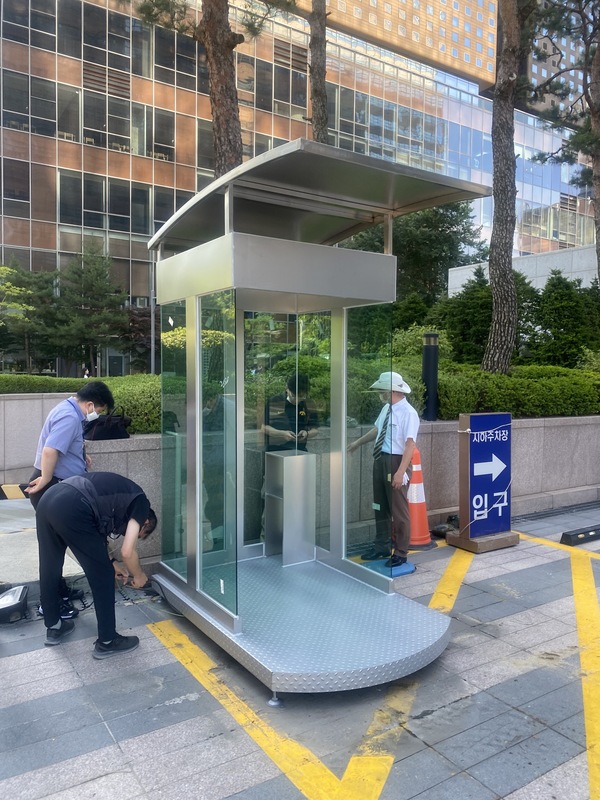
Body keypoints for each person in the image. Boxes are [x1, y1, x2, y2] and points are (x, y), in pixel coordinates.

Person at [36, 471, 157, 657]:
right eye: (139, 535)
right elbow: (128, 551)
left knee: (49, 567)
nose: (129, 535)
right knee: (103, 576)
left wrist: (112, 563)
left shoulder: (116, 504)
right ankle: (108, 641)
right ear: (145, 522)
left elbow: (96, 542)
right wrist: (140, 576)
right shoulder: (141, 503)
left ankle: (54, 626)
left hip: (48, 500)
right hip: (74, 504)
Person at [26, 381, 115, 617]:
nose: (98, 415)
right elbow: (50, 450)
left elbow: (65, 445)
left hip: (57, 487)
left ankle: (59, 592)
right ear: (90, 404)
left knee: (56, 548)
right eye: (99, 410)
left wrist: (80, 456)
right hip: (53, 487)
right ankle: (51, 605)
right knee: (53, 554)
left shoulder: (67, 408)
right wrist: (46, 479)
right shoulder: (69, 416)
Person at [348, 371, 419, 568]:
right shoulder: (387, 408)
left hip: (396, 461)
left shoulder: (409, 413)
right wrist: (357, 443)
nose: (380, 393)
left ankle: (401, 552)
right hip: (381, 458)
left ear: (392, 390)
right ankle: (381, 546)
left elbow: (410, 445)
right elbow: (377, 430)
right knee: (379, 506)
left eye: (382, 390)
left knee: (398, 509)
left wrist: (400, 472)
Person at [262, 373, 319, 452]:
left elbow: (315, 429)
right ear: (287, 389)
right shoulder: (276, 401)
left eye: (301, 396)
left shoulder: (308, 404)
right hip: (276, 450)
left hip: (300, 449)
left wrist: (307, 434)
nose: (297, 400)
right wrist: (282, 434)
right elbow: (264, 427)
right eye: (294, 396)